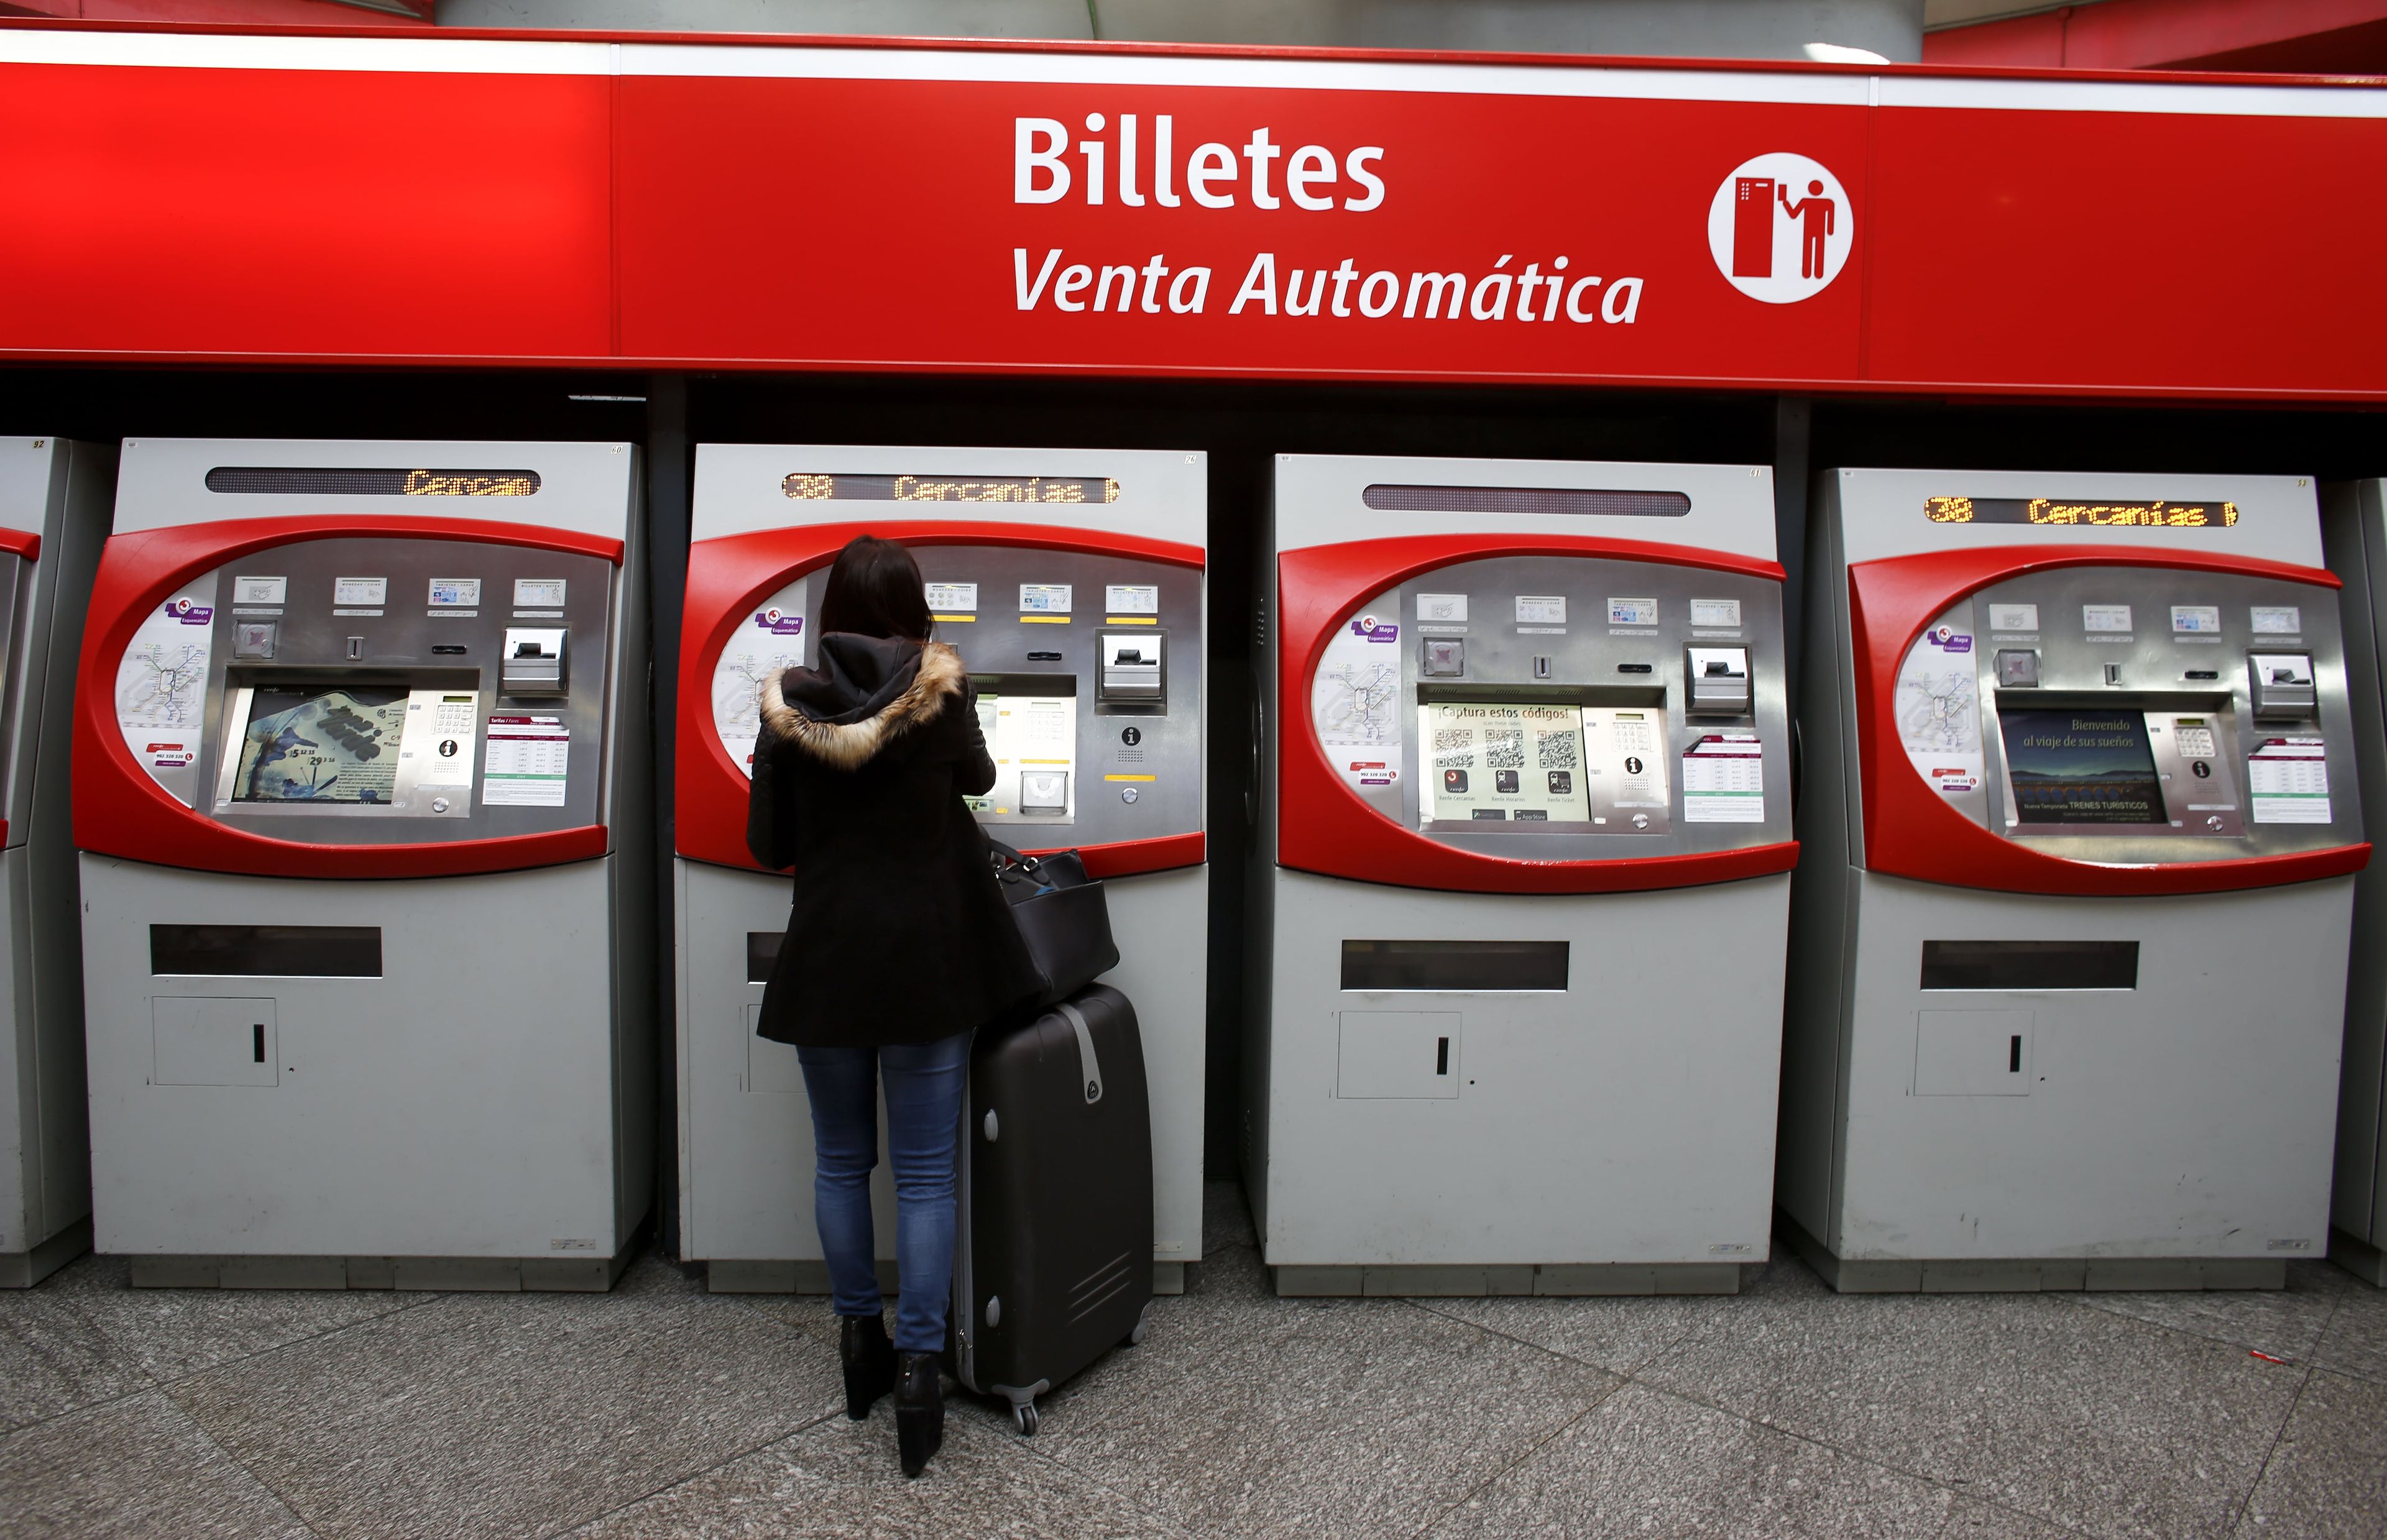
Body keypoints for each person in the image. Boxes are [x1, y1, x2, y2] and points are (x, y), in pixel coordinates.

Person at [746, 534, 1042, 1478]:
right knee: (922, 1175)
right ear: (917, 609)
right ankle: (921, 1370)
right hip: (926, 967)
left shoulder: (789, 704)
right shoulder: (943, 691)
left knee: (842, 1161)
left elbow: (767, 844)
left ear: (831, 609)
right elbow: (981, 781)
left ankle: (857, 1346)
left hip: (827, 960)